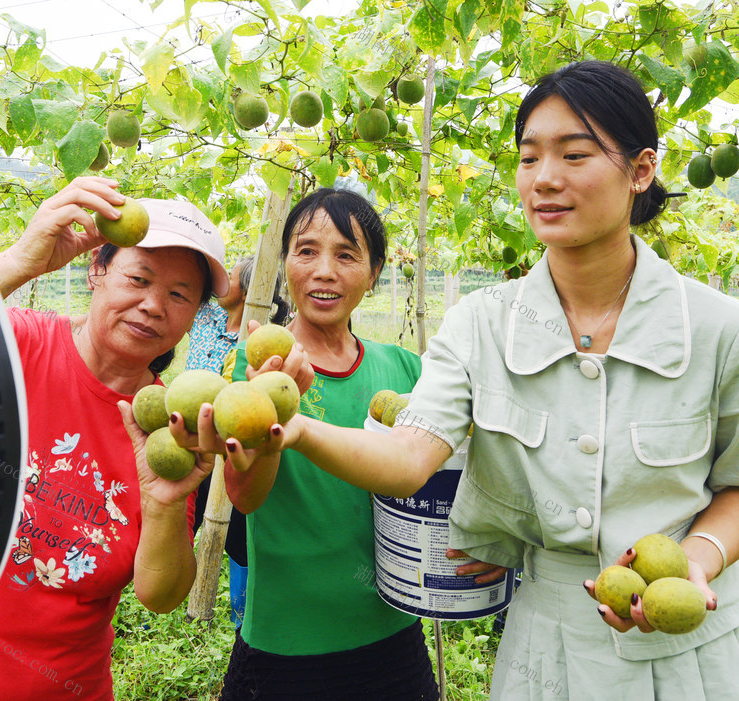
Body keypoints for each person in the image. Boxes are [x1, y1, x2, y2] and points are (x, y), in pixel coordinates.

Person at [228, 62, 739, 699]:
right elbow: (411, 457)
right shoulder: (482, 323)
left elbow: (734, 484)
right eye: (529, 159)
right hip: (541, 653)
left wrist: (702, 556)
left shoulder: (718, 327)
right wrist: (295, 428)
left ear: (640, 171)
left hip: (688, 659)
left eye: (574, 154)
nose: (545, 179)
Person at [0, 176, 230, 700]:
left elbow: (161, 596)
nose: (154, 305)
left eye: (179, 295)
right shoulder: (18, 342)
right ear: (97, 270)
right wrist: (20, 261)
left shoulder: (165, 429)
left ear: (191, 318)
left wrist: (163, 504)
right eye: (139, 278)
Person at [184, 187, 440, 699]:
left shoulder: (407, 372)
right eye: (306, 251)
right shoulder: (251, 371)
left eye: (347, 255)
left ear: (373, 273)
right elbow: (246, 498)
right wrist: (271, 419)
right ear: (285, 265)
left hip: (393, 632)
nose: (324, 270)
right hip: (285, 645)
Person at [186, 255, 288, 628]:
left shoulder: (261, 341)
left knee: (240, 532)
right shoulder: (207, 317)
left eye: (229, 275)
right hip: (190, 439)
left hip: (233, 445)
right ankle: (170, 601)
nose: (222, 279)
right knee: (186, 519)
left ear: (247, 288)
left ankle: (239, 611)